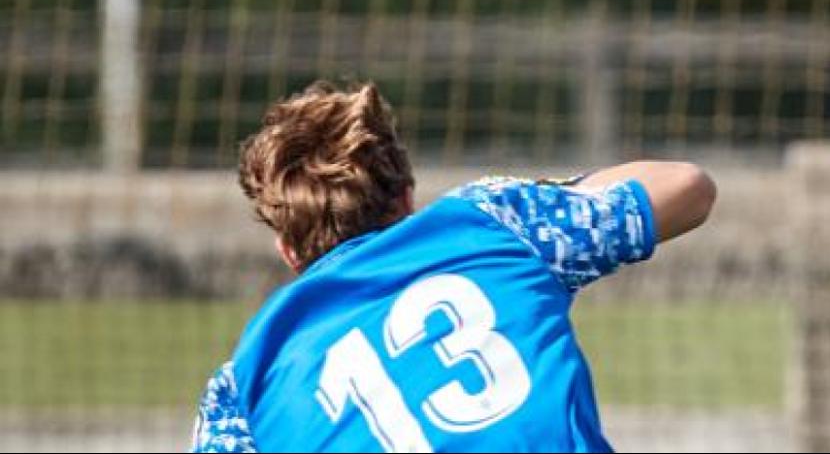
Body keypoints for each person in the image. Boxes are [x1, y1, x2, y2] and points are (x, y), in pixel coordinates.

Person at [189, 80, 716, 452]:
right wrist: (537, 199)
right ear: (408, 198)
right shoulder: (487, 223)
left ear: (288, 251)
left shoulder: (241, 388)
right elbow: (687, 188)